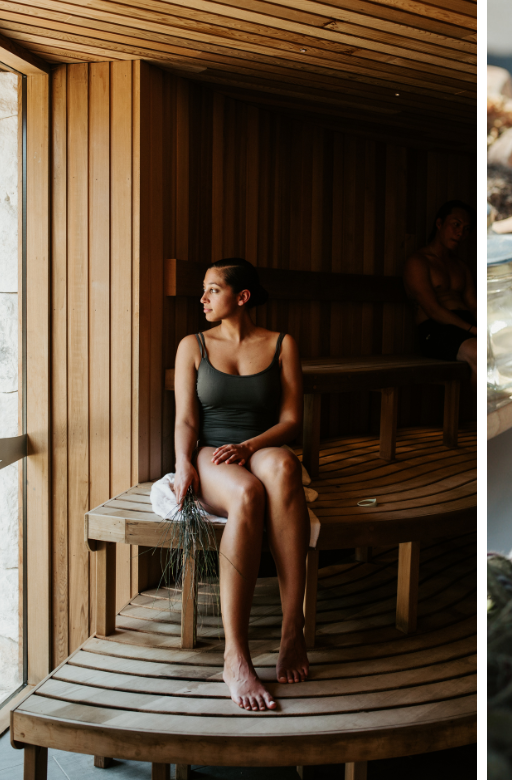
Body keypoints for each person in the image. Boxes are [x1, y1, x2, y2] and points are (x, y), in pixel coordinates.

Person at [172, 258, 308, 712]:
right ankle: (236, 654)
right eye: (204, 291)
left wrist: (251, 446)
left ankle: (293, 629)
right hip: (212, 452)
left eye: (213, 290)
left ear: (241, 297)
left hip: (258, 443)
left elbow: (291, 420)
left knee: (285, 469)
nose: (203, 298)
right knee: (248, 494)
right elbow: (187, 419)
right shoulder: (193, 346)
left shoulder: (282, 344)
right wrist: (184, 464)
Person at [405, 200, 478, 384]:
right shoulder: (418, 262)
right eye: (456, 225)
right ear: (439, 224)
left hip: (467, 326)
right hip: (436, 330)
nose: (461, 232)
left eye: (466, 228)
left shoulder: (461, 267)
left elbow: (474, 306)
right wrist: (472, 329)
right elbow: (433, 310)